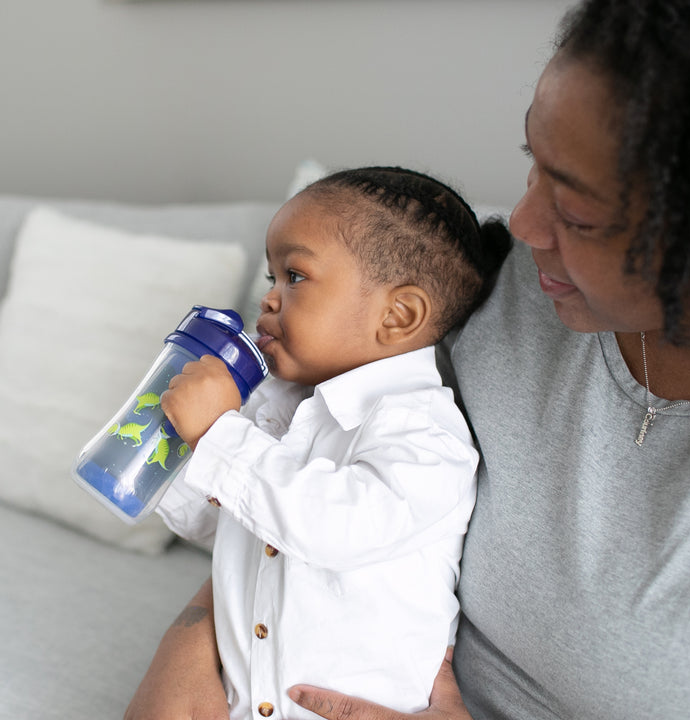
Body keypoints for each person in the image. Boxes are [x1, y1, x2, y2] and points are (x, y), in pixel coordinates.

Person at [125, 0, 690, 718]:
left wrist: (220, 440)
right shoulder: (492, 297)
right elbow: (276, 524)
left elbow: (338, 515)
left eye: (577, 213)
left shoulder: (422, 426)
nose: (523, 226)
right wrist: (191, 641)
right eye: (534, 164)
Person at [148, 166, 512, 720]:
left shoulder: (426, 432)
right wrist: (176, 435)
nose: (268, 299)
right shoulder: (278, 407)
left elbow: (335, 527)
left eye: (294, 276)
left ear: (399, 315)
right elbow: (211, 523)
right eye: (271, 278)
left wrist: (218, 436)